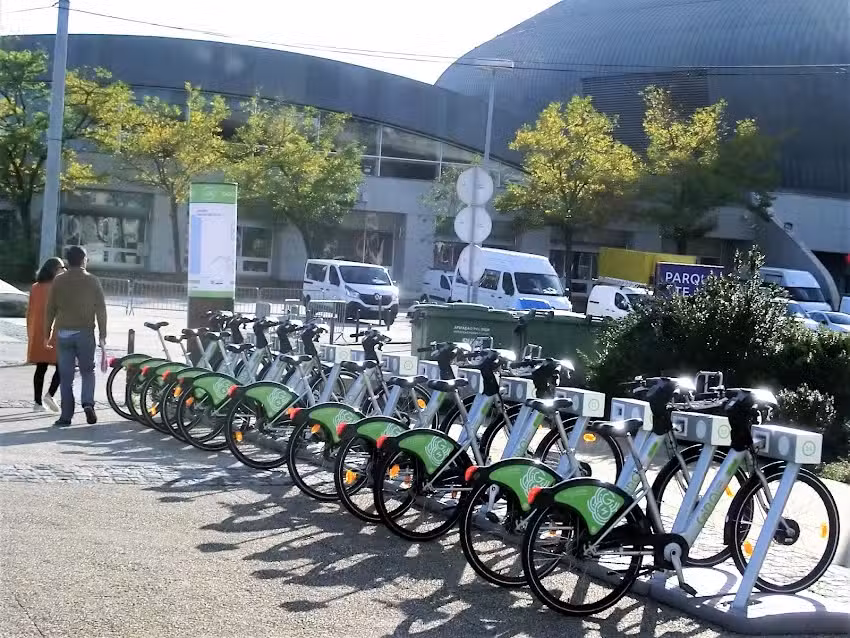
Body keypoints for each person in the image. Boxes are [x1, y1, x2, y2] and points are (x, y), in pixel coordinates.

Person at [45, 246, 107, 427]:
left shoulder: (58, 281)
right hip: (85, 333)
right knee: (88, 371)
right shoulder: (92, 280)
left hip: (63, 333)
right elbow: (101, 309)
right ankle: (88, 403)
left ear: (67, 261)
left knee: (66, 377)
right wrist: (103, 335)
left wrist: (46, 334)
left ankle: (66, 417)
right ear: (84, 260)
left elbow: (50, 308)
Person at [26, 257, 66, 413]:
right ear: (54, 270)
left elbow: (30, 311)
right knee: (62, 366)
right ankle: (49, 395)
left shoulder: (35, 287)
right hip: (54, 332)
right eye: (61, 268)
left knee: (41, 368)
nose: (64, 270)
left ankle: (37, 403)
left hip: (38, 332)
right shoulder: (58, 287)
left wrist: (31, 332)